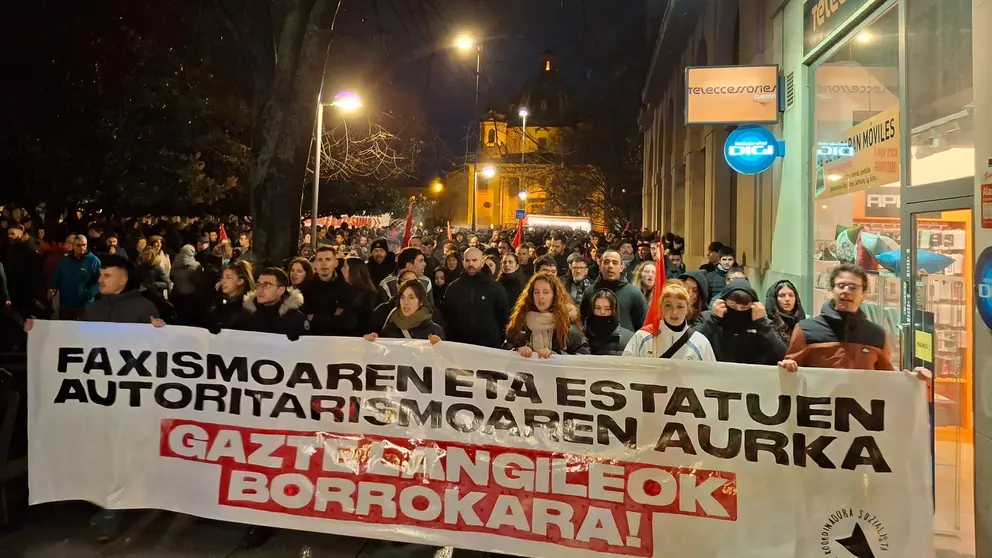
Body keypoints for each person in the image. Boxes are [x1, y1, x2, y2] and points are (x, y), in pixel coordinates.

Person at [778, 264, 891, 371]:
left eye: (853, 287)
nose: (846, 291)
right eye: (841, 286)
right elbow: (791, 370)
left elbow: (887, 377)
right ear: (832, 290)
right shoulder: (806, 329)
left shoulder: (877, 335)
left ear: (863, 294)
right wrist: (788, 365)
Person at [696, 279, 787, 365]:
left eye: (744, 308)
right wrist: (713, 320)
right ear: (723, 302)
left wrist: (762, 324)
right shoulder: (706, 317)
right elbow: (692, 344)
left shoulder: (762, 323)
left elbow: (782, 355)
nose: (738, 310)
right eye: (732, 306)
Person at [623, 282, 715, 360]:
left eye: (680, 306)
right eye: (668, 305)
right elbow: (626, 368)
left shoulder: (700, 343)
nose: (674, 312)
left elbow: (710, 373)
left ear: (687, 309)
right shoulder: (642, 336)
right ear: (661, 308)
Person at [505, 271, 588, 357]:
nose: (540, 297)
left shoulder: (567, 325)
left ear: (555, 295)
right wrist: (517, 350)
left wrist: (555, 356)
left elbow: (583, 357)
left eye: (546, 292)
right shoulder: (520, 321)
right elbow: (506, 347)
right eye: (536, 292)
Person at [442, 247, 510, 348]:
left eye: (474, 260)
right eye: (467, 260)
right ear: (463, 262)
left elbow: (503, 318)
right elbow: (447, 317)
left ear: (482, 262)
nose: (471, 264)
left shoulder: (495, 288)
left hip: (489, 346)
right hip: (460, 345)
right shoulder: (453, 288)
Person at [80, 255, 162, 324]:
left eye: (107, 276)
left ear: (123, 280)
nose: (100, 280)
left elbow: (154, 337)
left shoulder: (144, 309)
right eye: (100, 275)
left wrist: (159, 329)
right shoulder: (92, 307)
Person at [579, 249, 647, 331]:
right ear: (600, 266)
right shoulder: (589, 293)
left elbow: (643, 329)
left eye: (615, 263)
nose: (610, 266)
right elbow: (581, 323)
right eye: (606, 262)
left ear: (622, 267)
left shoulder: (634, 294)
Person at [234, 267, 308, 339]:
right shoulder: (246, 315)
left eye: (267, 285)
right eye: (258, 285)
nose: (260, 290)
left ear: (281, 290)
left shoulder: (295, 319)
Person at [300, 245, 356, 336]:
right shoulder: (305, 288)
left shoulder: (347, 289)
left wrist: (314, 318)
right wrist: (333, 318)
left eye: (328, 259)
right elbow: (302, 320)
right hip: (312, 339)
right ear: (315, 264)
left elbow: (348, 323)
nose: (324, 264)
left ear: (335, 263)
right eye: (320, 260)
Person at [364, 279, 444, 343]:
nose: (406, 302)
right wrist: (375, 343)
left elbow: (442, 357)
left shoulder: (434, 330)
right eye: (402, 297)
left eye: (411, 297)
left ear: (421, 302)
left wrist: (437, 347)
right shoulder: (390, 328)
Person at [50, 234, 102, 320]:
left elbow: (99, 281)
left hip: (85, 304)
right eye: (79, 245)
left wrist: (88, 294)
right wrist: (53, 287)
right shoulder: (65, 261)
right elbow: (57, 276)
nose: (82, 248)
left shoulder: (94, 261)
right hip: (67, 303)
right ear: (73, 246)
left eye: (84, 245)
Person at [208, 260, 255, 331]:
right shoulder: (218, 300)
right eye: (222, 277)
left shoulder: (246, 308)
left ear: (240, 281)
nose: (222, 281)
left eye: (228, 277)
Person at [582, 290, 633, 356]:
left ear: (614, 310)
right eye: (598, 308)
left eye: (608, 309)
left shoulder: (629, 338)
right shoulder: (581, 336)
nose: (602, 312)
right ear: (592, 309)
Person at [342, 256, 379, 335]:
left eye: (344, 266)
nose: (342, 269)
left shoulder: (369, 295)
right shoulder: (344, 290)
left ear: (353, 270)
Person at [765, 279, 806, 345]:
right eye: (782, 295)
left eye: (791, 295)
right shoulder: (767, 326)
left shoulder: (804, 323)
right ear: (774, 299)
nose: (787, 299)